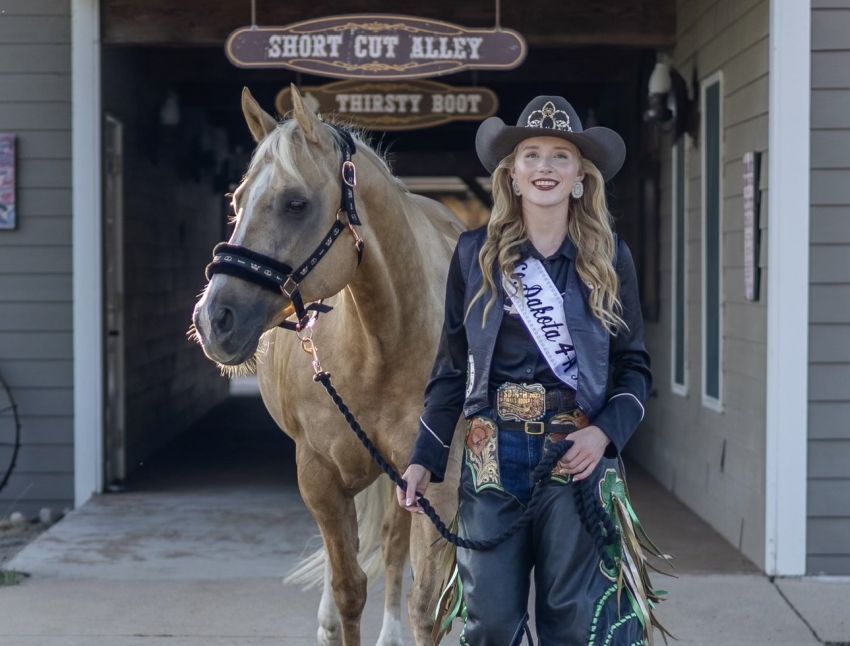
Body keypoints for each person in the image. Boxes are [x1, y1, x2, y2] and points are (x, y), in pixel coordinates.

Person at [396, 96, 666, 645]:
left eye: (561, 156)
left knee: (571, 619)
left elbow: (634, 369)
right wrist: (424, 458)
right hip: (492, 455)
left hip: (574, 455)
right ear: (512, 177)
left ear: (580, 179)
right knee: (491, 621)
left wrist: (604, 434)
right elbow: (450, 369)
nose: (546, 167)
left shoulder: (610, 258)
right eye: (532, 155)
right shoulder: (474, 256)